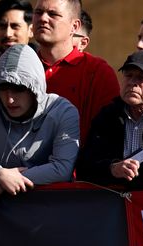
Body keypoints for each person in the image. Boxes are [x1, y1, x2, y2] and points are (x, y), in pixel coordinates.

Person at [0, 44, 79, 210]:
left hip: (54, 210)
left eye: (18, 89)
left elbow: (62, 168)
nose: (9, 99)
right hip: (1, 214)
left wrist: (9, 180)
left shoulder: (63, 111)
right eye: (3, 89)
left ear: (35, 88)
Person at [77, 51, 143, 189]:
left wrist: (136, 172)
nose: (133, 82)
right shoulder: (107, 116)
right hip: (113, 202)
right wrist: (112, 168)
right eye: (128, 75)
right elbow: (84, 167)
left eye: (142, 78)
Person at [32, 0, 118, 147]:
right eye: (38, 12)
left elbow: (108, 134)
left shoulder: (97, 72)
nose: (43, 18)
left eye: (53, 14)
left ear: (74, 26)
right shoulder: (21, 66)